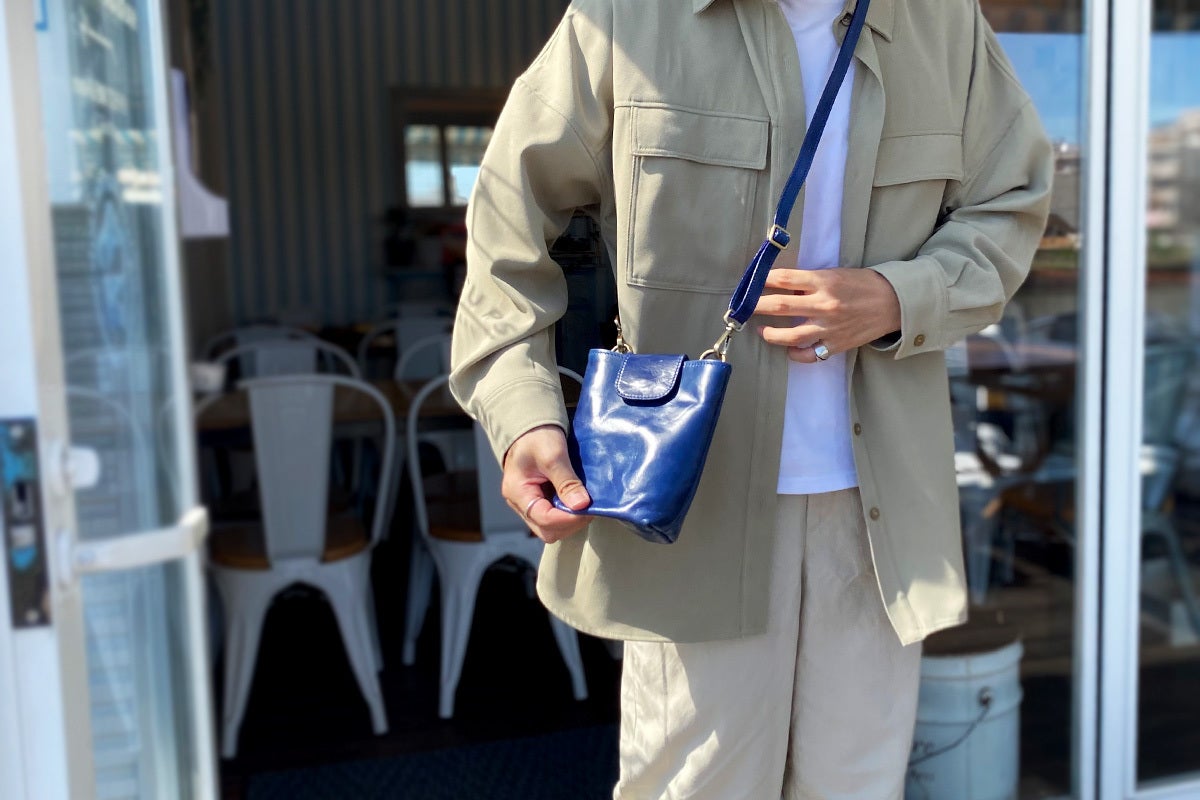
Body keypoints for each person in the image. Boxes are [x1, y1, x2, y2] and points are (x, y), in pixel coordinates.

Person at [450, 0, 1052, 796]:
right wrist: (523, 407)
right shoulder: (628, 18)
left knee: (858, 787)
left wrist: (898, 298)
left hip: (878, 522)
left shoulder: (941, 23)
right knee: (699, 784)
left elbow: (1012, 200)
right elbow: (507, 223)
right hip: (692, 509)